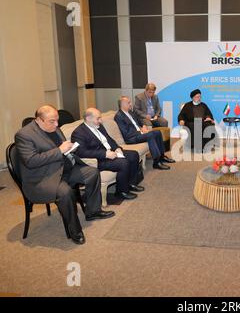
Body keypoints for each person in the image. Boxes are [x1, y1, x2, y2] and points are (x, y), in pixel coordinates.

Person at [14, 105, 115, 245]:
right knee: (65, 192)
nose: (56, 125)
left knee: (92, 172)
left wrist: (69, 148)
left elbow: (62, 147)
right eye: (52, 121)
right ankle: (75, 230)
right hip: (44, 177)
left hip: (64, 168)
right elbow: (31, 161)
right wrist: (59, 150)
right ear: (38, 120)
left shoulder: (54, 127)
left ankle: (93, 211)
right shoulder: (24, 135)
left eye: (57, 120)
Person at [71, 108, 145, 200]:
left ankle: (131, 183)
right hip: (98, 159)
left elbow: (109, 139)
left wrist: (117, 148)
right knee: (123, 163)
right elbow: (81, 152)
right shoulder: (78, 133)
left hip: (110, 152)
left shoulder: (99, 126)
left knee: (134, 155)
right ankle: (121, 192)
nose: (100, 120)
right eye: (98, 118)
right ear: (88, 118)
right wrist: (104, 154)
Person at [114, 96, 174, 170]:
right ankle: (156, 162)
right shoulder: (119, 116)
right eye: (129, 102)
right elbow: (126, 133)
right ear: (123, 104)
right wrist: (140, 132)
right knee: (150, 135)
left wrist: (144, 126)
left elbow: (140, 121)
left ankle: (162, 156)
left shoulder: (130, 112)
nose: (131, 104)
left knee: (158, 132)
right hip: (131, 138)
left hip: (139, 133)